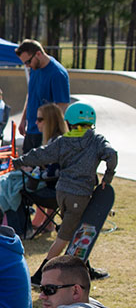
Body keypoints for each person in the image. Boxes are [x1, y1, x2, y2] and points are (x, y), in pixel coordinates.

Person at [14, 101, 117, 279]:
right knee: (64, 236)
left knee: (80, 230)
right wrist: (107, 178)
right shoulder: (96, 140)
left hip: (61, 193)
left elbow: (41, 153)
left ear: (69, 122)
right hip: (80, 194)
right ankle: (40, 275)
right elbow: (112, 154)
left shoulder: (64, 140)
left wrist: (20, 161)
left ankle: (85, 269)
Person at [16, 39, 71, 153]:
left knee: (39, 169)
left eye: (28, 62)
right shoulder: (34, 69)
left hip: (45, 134)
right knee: (26, 167)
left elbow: (62, 106)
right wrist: (23, 119)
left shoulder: (57, 73)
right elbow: (31, 95)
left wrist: (49, 134)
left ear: (38, 54)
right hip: (31, 130)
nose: (27, 66)